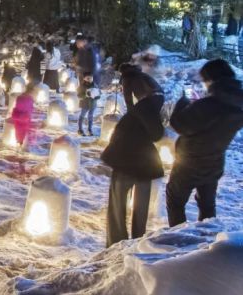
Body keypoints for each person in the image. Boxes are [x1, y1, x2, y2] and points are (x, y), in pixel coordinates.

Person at [166, 59, 243, 227]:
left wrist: (183, 104)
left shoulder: (210, 104)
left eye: (205, 80)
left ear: (211, 79)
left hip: (189, 164)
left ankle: (180, 241)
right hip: (215, 162)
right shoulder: (237, 103)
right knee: (207, 206)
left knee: (175, 202)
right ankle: (207, 241)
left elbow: (179, 124)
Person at [101, 84, 165, 247]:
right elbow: (157, 134)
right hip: (144, 165)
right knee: (140, 207)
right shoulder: (151, 112)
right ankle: (137, 238)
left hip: (123, 162)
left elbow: (117, 134)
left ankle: (116, 241)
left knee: (117, 204)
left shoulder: (135, 112)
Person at [11, 82, 36, 147]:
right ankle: (21, 144)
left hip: (21, 118)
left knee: (20, 132)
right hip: (23, 118)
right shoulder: (28, 99)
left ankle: (21, 143)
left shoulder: (22, 97)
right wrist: (26, 116)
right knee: (22, 132)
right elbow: (28, 109)